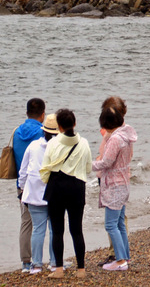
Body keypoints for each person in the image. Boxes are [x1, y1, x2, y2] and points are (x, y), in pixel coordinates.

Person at [39, 108, 92, 279]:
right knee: (77, 230)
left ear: (59, 127)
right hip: (77, 187)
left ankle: (59, 269)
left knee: (57, 229)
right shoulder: (83, 143)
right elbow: (89, 168)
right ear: (74, 124)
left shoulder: (53, 143)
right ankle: (81, 269)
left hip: (57, 187)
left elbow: (45, 168)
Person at [92, 99, 138, 272]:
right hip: (124, 182)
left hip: (115, 185)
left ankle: (120, 261)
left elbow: (106, 162)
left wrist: (86, 164)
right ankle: (124, 257)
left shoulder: (115, 139)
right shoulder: (127, 135)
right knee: (119, 223)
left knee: (111, 224)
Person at [18, 113, 57, 275]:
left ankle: (36, 264)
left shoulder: (33, 146)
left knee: (37, 230)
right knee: (55, 229)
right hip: (55, 195)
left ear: (44, 131)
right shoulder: (59, 147)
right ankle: (55, 263)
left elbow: (23, 172)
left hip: (34, 194)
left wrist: (21, 189)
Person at [12, 97, 46, 272]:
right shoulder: (43, 132)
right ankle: (48, 260)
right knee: (45, 223)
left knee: (26, 222)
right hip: (41, 184)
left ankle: (26, 262)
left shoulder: (16, 132)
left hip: (22, 184)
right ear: (42, 114)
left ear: (26, 113)